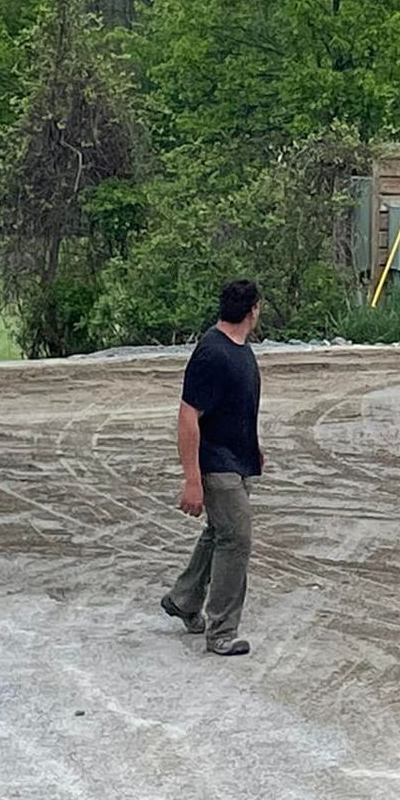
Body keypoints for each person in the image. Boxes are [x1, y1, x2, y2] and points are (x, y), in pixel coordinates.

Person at [161, 278, 263, 657]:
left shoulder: (240, 350)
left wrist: (254, 448)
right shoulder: (213, 353)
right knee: (237, 539)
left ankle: (184, 599)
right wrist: (192, 480)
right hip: (216, 463)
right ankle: (221, 631)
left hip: (238, 460)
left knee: (219, 533)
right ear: (253, 309)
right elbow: (188, 415)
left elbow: (237, 407)